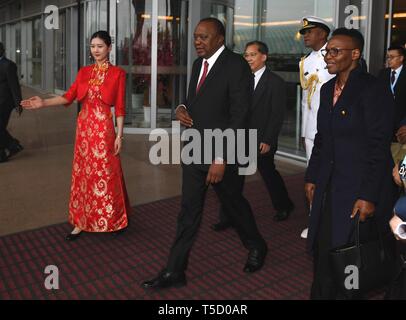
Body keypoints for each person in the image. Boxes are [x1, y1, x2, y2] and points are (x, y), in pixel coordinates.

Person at [142, 18, 267, 289]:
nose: (197, 41)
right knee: (188, 211)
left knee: (234, 205)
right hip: (195, 150)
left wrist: (220, 158)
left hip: (223, 153)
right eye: (196, 37)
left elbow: (239, 116)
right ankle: (175, 270)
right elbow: (193, 101)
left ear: (220, 39)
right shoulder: (199, 64)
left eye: (204, 37)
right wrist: (180, 108)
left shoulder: (236, 67)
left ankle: (256, 245)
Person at [304, 28, 397, 299]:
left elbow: (378, 148)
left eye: (335, 51)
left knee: (351, 259)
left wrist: (368, 195)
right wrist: (312, 175)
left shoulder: (372, 88)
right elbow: (322, 139)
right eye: (327, 51)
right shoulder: (326, 89)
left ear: (355, 54)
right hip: (329, 187)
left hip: (358, 190)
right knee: (323, 254)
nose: (328, 57)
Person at [21, 31, 130, 240]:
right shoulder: (84, 72)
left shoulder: (118, 74)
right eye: (92, 46)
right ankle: (81, 221)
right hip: (84, 130)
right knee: (83, 175)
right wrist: (43, 103)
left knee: (107, 173)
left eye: (100, 46)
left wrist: (119, 136)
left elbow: (121, 107)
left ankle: (114, 218)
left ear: (108, 48)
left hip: (103, 129)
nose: (95, 50)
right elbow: (68, 97)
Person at [211, 40, 294, 232]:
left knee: (268, 174)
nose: (248, 58)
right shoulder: (239, 79)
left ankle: (284, 205)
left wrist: (268, 139)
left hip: (261, 139)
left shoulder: (275, 82)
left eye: (252, 54)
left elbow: (277, 115)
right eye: (246, 55)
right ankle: (228, 216)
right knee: (232, 179)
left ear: (263, 57)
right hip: (239, 137)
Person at [299, 16, 335, 239]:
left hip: (331, 127)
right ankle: (315, 221)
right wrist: (305, 130)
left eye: (309, 32)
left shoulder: (333, 56)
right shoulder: (305, 61)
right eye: (304, 33)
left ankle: (331, 220)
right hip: (311, 128)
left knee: (333, 176)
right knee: (313, 177)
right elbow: (306, 100)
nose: (305, 36)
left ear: (322, 33)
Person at [379, 45, 406, 164]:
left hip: (402, 124)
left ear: (401, 58)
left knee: (400, 159)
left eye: (392, 57)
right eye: (387, 57)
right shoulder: (383, 74)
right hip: (385, 123)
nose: (389, 60)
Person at [0, 42, 24, 163]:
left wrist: (18, 104)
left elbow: (14, 86)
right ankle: (12, 146)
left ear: (2, 50)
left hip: (5, 102)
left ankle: (10, 148)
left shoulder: (8, 65)